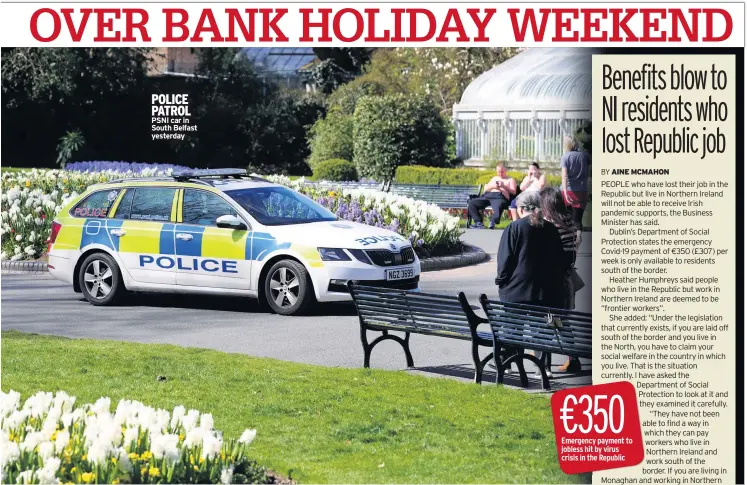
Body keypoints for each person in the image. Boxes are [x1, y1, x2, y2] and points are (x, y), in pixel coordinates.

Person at [495, 191, 566, 307]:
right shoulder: (551, 228)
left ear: (521, 209)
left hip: (517, 292)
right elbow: (559, 259)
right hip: (547, 293)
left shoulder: (514, 227)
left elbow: (505, 261)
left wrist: (501, 281)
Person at [539, 187, 582, 374]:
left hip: (552, 282)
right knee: (561, 321)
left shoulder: (550, 226)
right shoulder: (570, 224)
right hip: (566, 280)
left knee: (549, 321)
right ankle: (573, 359)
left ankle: (544, 364)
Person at [560, 136, 591, 248]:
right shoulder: (585, 156)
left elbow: (564, 177)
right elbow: (588, 173)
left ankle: (568, 242)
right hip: (582, 190)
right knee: (578, 219)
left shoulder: (565, 157)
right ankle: (578, 239)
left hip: (569, 190)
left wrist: (565, 192)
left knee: (566, 219)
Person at [468, 163, 517, 229]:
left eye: (502, 172)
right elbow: (485, 189)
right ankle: (478, 223)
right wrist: (493, 186)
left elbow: (513, 192)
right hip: (488, 196)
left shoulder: (510, 179)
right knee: (472, 203)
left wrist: (503, 186)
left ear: (505, 171)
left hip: (500, 197)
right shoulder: (494, 178)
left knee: (497, 212)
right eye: (498, 172)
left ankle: (493, 221)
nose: (500, 174)